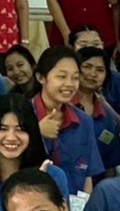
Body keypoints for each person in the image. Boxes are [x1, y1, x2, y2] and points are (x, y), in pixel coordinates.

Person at [28, 45, 103, 197]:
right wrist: (35, 132)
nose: (69, 84)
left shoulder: (84, 122)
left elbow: (87, 177)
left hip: (72, 205)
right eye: (62, 76)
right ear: (41, 78)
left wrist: (84, 208)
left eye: (75, 77)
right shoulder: (21, 115)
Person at [73, 46, 120, 178]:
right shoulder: (61, 106)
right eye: (87, 67)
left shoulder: (107, 116)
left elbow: (111, 163)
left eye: (100, 70)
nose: (93, 74)